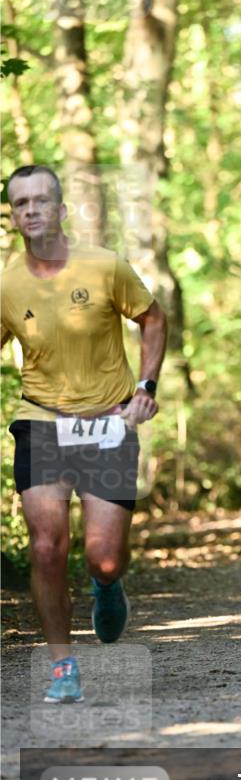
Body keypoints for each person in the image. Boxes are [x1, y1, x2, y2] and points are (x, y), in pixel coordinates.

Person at [1, 165, 167, 702]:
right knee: (47, 546)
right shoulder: (7, 281)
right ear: (13, 215)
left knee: (105, 555)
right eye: (20, 203)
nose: (31, 211)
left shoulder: (105, 267)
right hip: (41, 420)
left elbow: (154, 318)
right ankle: (62, 666)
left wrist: (146, 385)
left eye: (41, 201)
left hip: (110, 421)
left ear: (61, 209)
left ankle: (107, 583)